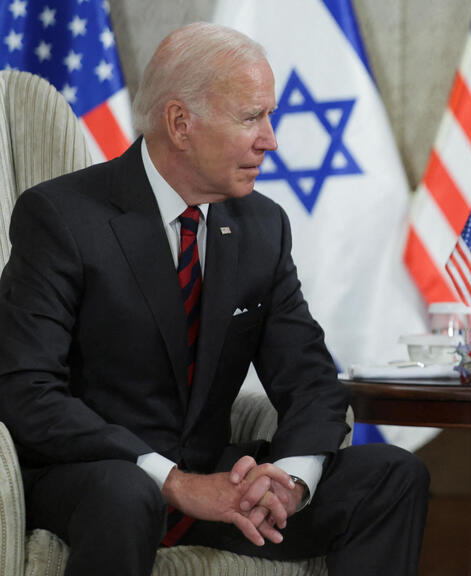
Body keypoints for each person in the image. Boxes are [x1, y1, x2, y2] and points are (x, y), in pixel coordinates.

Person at [0, 22, 429, 575]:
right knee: (128, 494)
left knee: (392, 476)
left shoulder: (262, 226)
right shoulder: (63, 217)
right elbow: (26, 389)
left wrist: (291, 482)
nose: (270, 139)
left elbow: (309, 380)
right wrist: (174, 481)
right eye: (252, 117)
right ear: (181, 123)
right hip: (94, 476)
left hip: (217, 481)